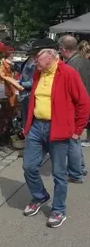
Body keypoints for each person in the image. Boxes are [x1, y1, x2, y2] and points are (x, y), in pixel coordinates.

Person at [22, 47, 89, 228]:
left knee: (59, 173)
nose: (35, 61)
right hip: (37, 126)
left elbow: (83, 102)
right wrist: (28, 125)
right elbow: (35, 99)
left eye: (38, 58)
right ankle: (40, 196)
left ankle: (59, 210)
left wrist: (77, 129)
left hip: (58, 128)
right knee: (29, 166)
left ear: (50, 56)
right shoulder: (39, 73)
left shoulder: (68, 73)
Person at [59, 35, 90, 183]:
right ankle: (80, 168)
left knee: (73, 141)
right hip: (83, 104)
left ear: (64, 49)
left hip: (75, 107)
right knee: (75, 141)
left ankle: (76, 173)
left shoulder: (71, 66)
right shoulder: (84, 60)